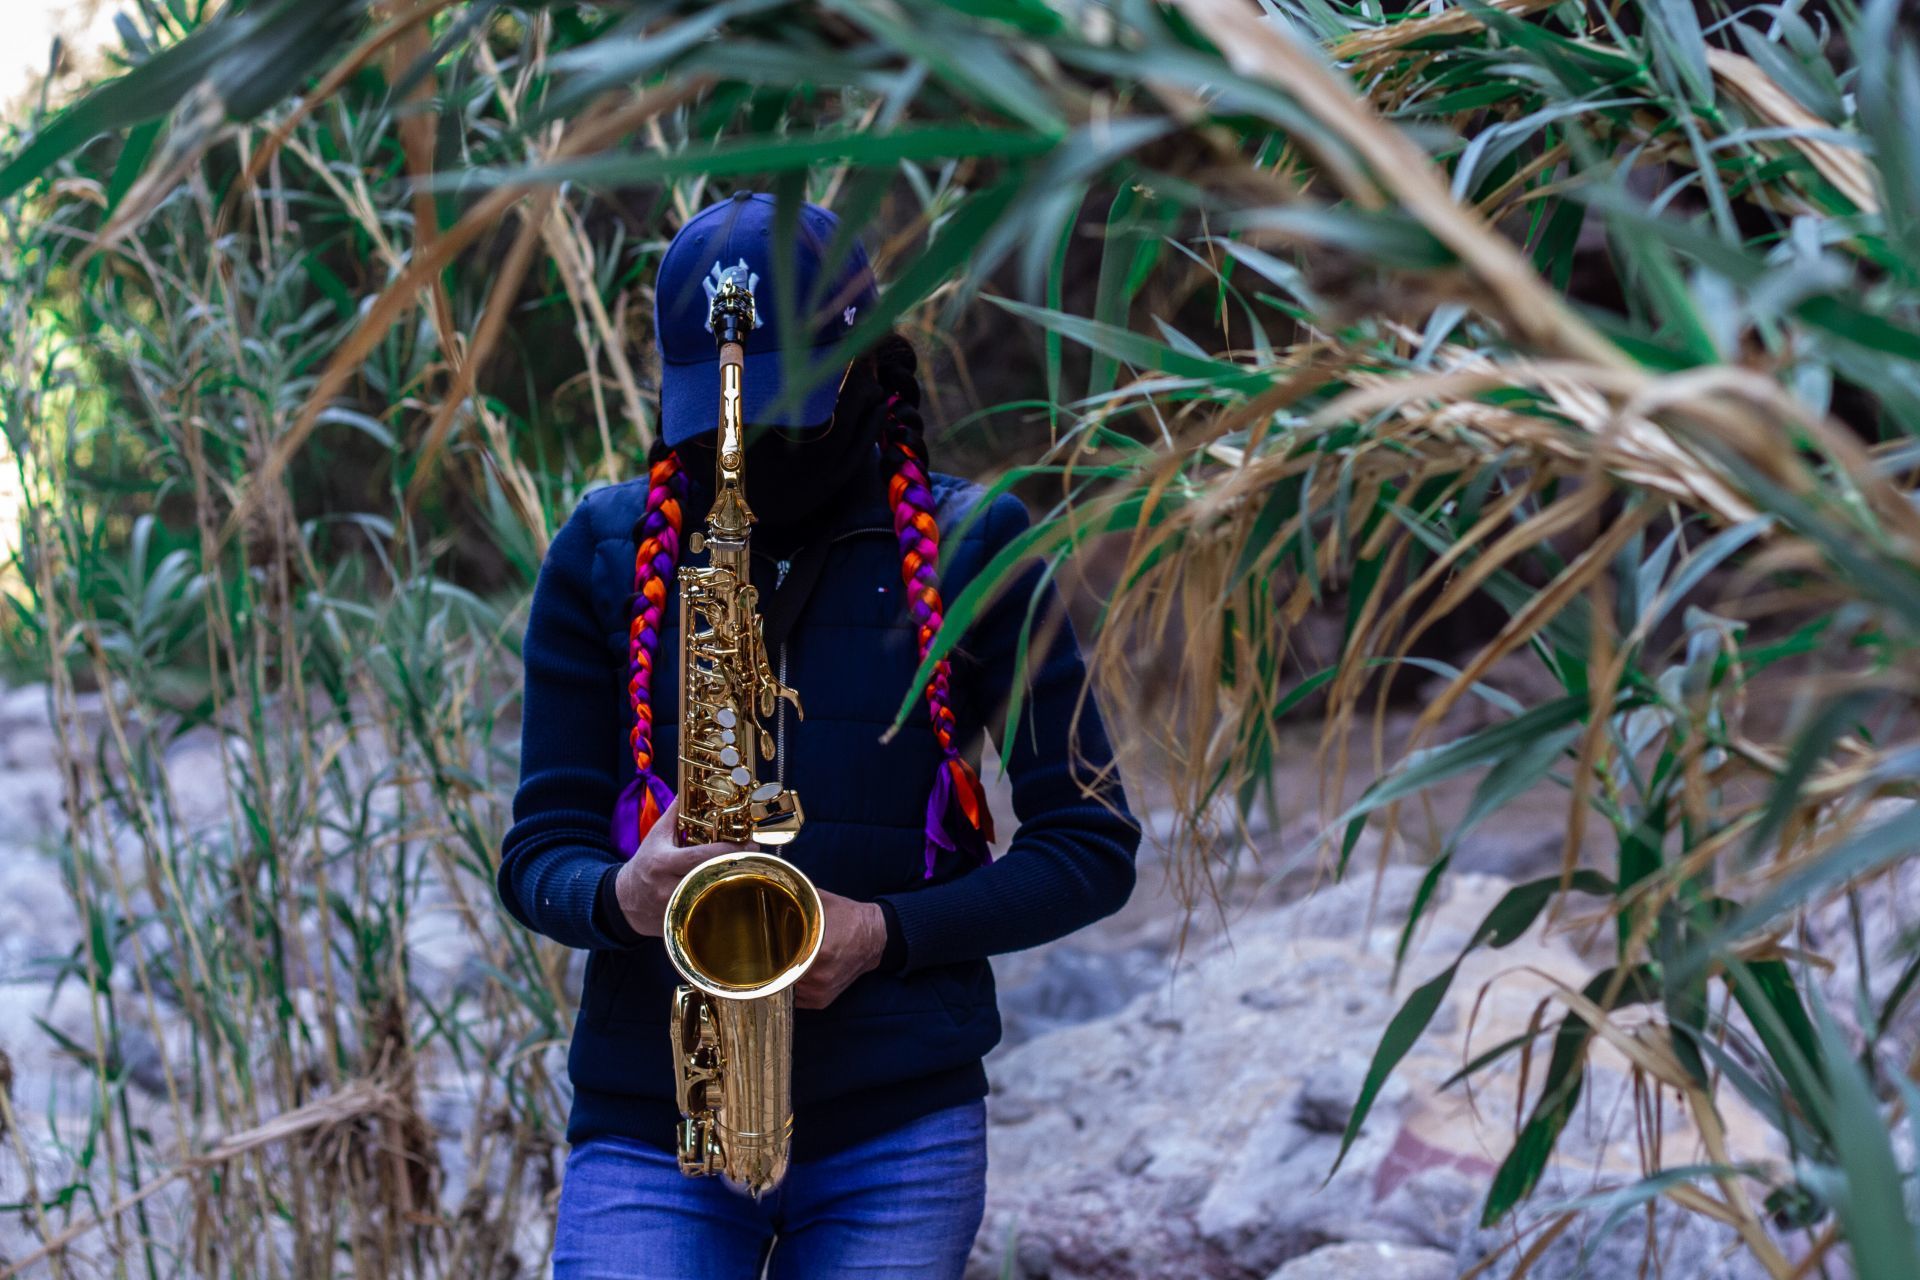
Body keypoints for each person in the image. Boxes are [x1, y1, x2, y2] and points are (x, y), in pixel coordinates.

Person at [497, 191, 1140, 1280]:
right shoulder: (602, 549)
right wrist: (625, 894)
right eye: (718, 412)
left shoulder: (976, 542)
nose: (745, 443)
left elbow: (1091, 846)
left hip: (897, 1126)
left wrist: (882, 932)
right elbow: (536, 856)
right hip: (657, 1125)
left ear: (867, 362)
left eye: (789, 402)